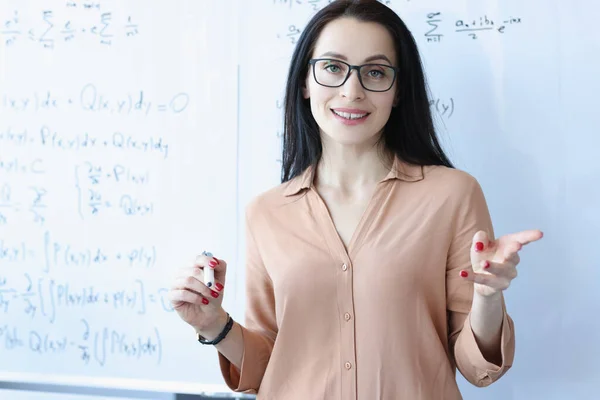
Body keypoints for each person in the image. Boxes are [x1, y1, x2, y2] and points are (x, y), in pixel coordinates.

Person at [168, 1, 543, 398]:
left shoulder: (452, 195)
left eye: (376, 72)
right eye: (332, 68)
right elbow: (269, 367)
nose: (352, 91)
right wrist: (213, 325)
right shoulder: (266, 213)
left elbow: (476, 366)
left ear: (398, 91)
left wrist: (487, 296)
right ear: (305, 82)